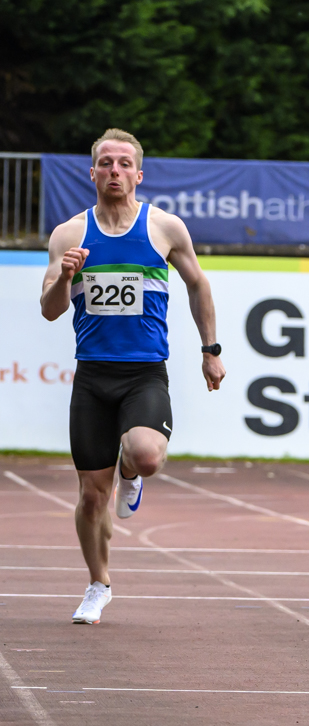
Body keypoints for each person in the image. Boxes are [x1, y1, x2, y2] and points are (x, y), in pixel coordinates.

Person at [39, 128, 226, 624]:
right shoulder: (69, 234)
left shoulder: (165, 228)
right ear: (92, 173)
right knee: (90, 497)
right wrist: (66, 277)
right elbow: (50, 310)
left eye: (124, 163)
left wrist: (210, 350)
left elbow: (198, 285)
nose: (115, 171)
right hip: (92, 377)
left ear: (139, 175)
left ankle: (130, 472)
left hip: (144, 373)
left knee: (146, 455)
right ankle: (98, 584)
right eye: (106, 163)